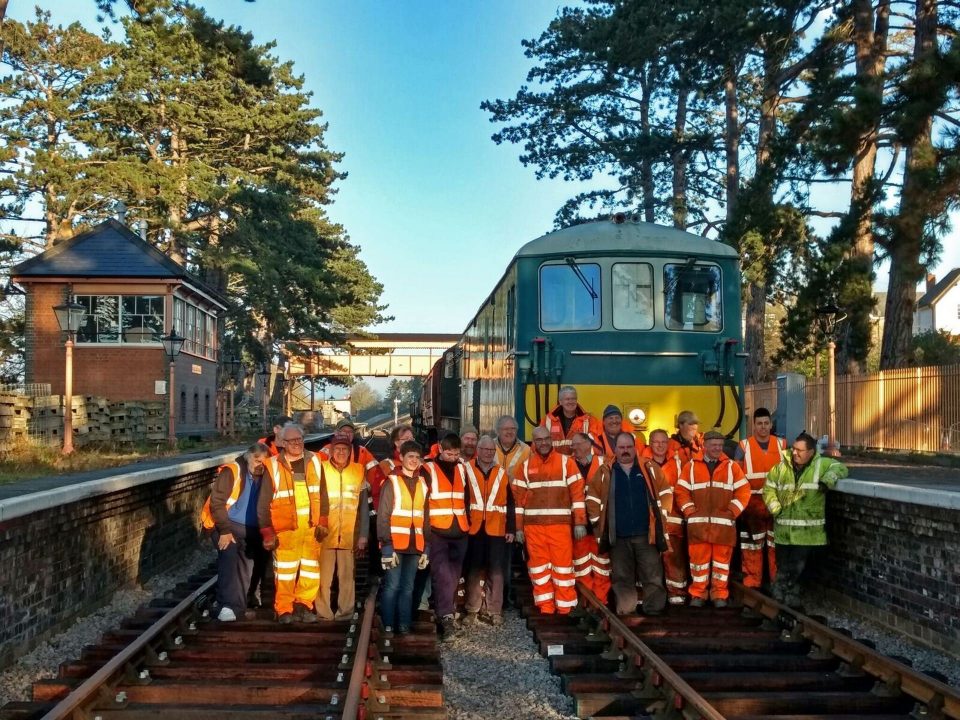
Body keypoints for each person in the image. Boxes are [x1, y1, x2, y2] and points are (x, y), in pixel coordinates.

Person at [587, 432, 671, 615]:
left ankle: (654, 609)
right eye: (621, 447)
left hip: (645, 533)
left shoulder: (649, 468)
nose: (625, 451)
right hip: (618, 535)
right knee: (622, 577)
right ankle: (626, 609)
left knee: (652, 575)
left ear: (635, 448)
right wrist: (597, 524)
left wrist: (661, 517)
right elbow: (592, 498)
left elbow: (665, 492)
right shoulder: (605, 471)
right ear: (615, 449)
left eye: (629, 447)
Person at [763, 432, 848, 607]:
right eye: (794, 449)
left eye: (800, 450)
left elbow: (841, 468)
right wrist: (776, 509)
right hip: (784, 533)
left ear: (810, 452)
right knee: (783, 568)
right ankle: (781, 601)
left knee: (797, 570)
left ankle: (788, 602)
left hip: (807, 534)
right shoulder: (780, 468)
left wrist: (827, 480)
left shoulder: (820, 465)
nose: (795, 453)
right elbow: (768, 490)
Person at [257, 423, 330, 624]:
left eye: (299, 439)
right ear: (282, 443)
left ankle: (304, 606)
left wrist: (323, 520)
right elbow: (263, 502)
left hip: (311, 528)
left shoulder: (315, 461)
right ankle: (284, 610)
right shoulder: (272, 466)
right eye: (292, 441)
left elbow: (323, 494)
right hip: (285, 530)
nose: (297, 444)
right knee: (285, 571)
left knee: (310, 570)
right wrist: (267, 531)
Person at [512, 426, 586, 615]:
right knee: (538, 569)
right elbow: (518, 502)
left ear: (551, 439)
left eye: (546, 439)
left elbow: (577, 496)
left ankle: (565, 607)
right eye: (539, 440)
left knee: (563, 568)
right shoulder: (526, 466)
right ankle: (545, 608)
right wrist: (518, 528)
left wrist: (579, 522)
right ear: (533, 443)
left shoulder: (566, 463)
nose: (543, 443)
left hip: (559, 526)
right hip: (533, 528)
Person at [674, 430, 750, 608]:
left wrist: (732, 511)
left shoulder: (732, 467)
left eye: (720, 445)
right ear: (705, 446)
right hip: (698, 527)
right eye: (714, 445)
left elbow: (744, 491)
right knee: (698, 564)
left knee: (721, 565)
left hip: (723, 527)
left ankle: (719, 595)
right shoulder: (691, 467)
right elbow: (681, 491)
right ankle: (698, 594)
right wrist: (690, 511)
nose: (717, 448)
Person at [203, 442, 270, 621]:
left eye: (264, 461)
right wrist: (224, 531)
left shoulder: (265, 476)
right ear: (249, 458)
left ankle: (237, 607)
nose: (260, 464)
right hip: (226, 525)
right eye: (257, 460)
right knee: (230, 561)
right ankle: (226, 605)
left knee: (246, 567)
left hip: (250, 529)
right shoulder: (232, 471)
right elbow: (216, 502)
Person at [315, 432, 369, 620]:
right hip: (324, 533)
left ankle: (345, 612)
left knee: (347, 577)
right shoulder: (321, 469)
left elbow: (364, 506)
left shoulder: (358, 470)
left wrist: (363, 535)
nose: (340, 452)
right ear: (330, 451)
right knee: (323, 578)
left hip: (349, 533)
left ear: (349, 452)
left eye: (344, 449)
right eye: (336, 449)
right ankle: (323, 613)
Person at [379, 440, 430, 635]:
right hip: (395, 544)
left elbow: (426, 518)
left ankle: (404, 624)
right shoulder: (391, 482)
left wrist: (427, 548)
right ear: (401, 458)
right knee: (392, 586)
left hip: (415, 546)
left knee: (408, 588)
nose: (413, 460)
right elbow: (383, 516)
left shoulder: (423, 484)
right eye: (410, 457)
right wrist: (386, 546)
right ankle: (389, 625)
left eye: (417, 458)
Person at [462, 435, 514, 626]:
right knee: (473, 570)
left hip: (497, 528)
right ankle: (472, 609)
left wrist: (511, 528)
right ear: (478, 450)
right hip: (473, 528)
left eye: (492, 450)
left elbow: (510, 503)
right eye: (485, 449)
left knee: (496, 571)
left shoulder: (502, 472)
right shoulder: (466, 469)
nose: (488, 453)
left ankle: (495, 610)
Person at [422, 433, 470, 640]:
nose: (453, 458)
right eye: (449, 454)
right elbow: (423, 503)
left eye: (456, 454)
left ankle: (447, 613)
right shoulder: (428, 469)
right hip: (437, 531)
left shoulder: (462, 468)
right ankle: (446, 616)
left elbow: (466, 499)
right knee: (442, 575)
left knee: (453, 575)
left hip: (459, 530)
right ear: (440, 450)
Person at [735, 408, 786, 589]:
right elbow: (737, 475)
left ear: (771, 425)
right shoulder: (743, 446)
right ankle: (752, 584)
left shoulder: (782, 445)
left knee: (776, 545)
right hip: (752, 504)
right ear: (754, 425)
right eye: (759, 424)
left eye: (766, 423)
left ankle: (775, 583)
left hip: (776, 502)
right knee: (751, 546)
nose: (763, 427)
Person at [644, 429, 688, 606]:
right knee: (648, 562)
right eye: (656, 442)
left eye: (663, 442)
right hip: (649, 523)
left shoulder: (678, 463)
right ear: (650, 443)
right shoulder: (642, 462)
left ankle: (676, 594)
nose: (660, 445)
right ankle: (648, 596)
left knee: (674, 560)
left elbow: (683, 490)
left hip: (673, 521)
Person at [570, 433, 611, 605]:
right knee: (580, 565)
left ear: (589, 444)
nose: (575, 449)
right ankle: (585, 602)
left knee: (602, 565)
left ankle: (601, 602)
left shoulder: (604, 463)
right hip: (578, 525)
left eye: (578, 444)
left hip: (599, 525)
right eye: (573, 446)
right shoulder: (569, 464)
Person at [494, 415, 530, 609]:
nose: (509, 432)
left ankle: (509, 594)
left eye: (513, 429)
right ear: (498, 431)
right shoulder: (488, 447)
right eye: (505, 429)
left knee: (515, 552)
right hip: (494, 509)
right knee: (497, 556)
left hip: (518, 505)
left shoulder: (526, 450)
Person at [540, 385, 602, 455]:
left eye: (573, 399)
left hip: (578, 464)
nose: (571, 402)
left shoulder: (589, 421)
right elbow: (538, 446)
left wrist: (584, 462)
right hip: (554, 464)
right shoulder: (547, 421)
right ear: (560, 401)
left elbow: (596, 448)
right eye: (567, 399)